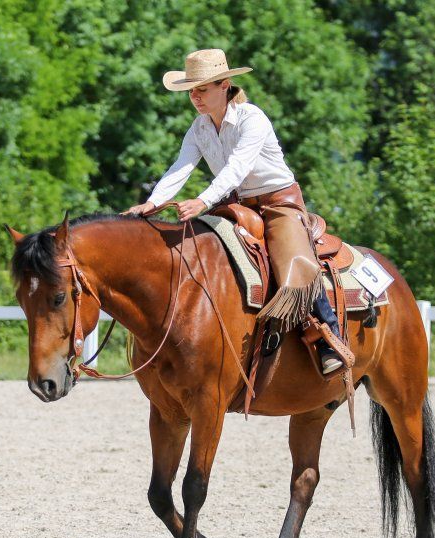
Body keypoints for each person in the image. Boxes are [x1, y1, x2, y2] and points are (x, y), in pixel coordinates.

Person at [122, 48, 343, 374]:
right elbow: (180, 167)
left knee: (293, 260)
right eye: (191, 91)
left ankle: (327, 337)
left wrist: (203, 200)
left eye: (202, 89)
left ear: (225, 85)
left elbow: (238, 168)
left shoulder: (252, 118)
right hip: (235, 204)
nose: (195, 97)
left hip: (278, 203)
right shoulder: (199, 128)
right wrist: (153, 203)